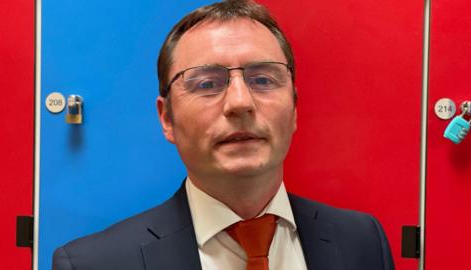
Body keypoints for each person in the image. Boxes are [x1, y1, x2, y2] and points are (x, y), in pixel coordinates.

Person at [53, 1, 395, 269]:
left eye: (263, 79)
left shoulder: (363, 242)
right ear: (167, 118)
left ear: (294, 110)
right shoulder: (93, 264)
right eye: (206, 83)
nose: (240, 103)